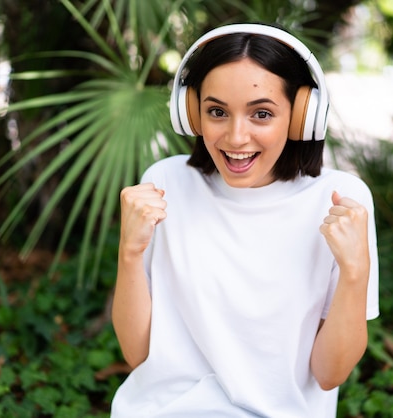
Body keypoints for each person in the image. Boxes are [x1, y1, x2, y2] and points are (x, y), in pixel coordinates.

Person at [110, 23, 379, 418]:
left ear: (302, 115)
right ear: (191, 112)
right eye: (217, 111)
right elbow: (138, 356)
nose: (236, 138)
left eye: (262, 114)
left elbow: (329, 374)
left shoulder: (340, 201)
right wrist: (129, 253)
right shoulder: (163, 185)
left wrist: (355, 272)